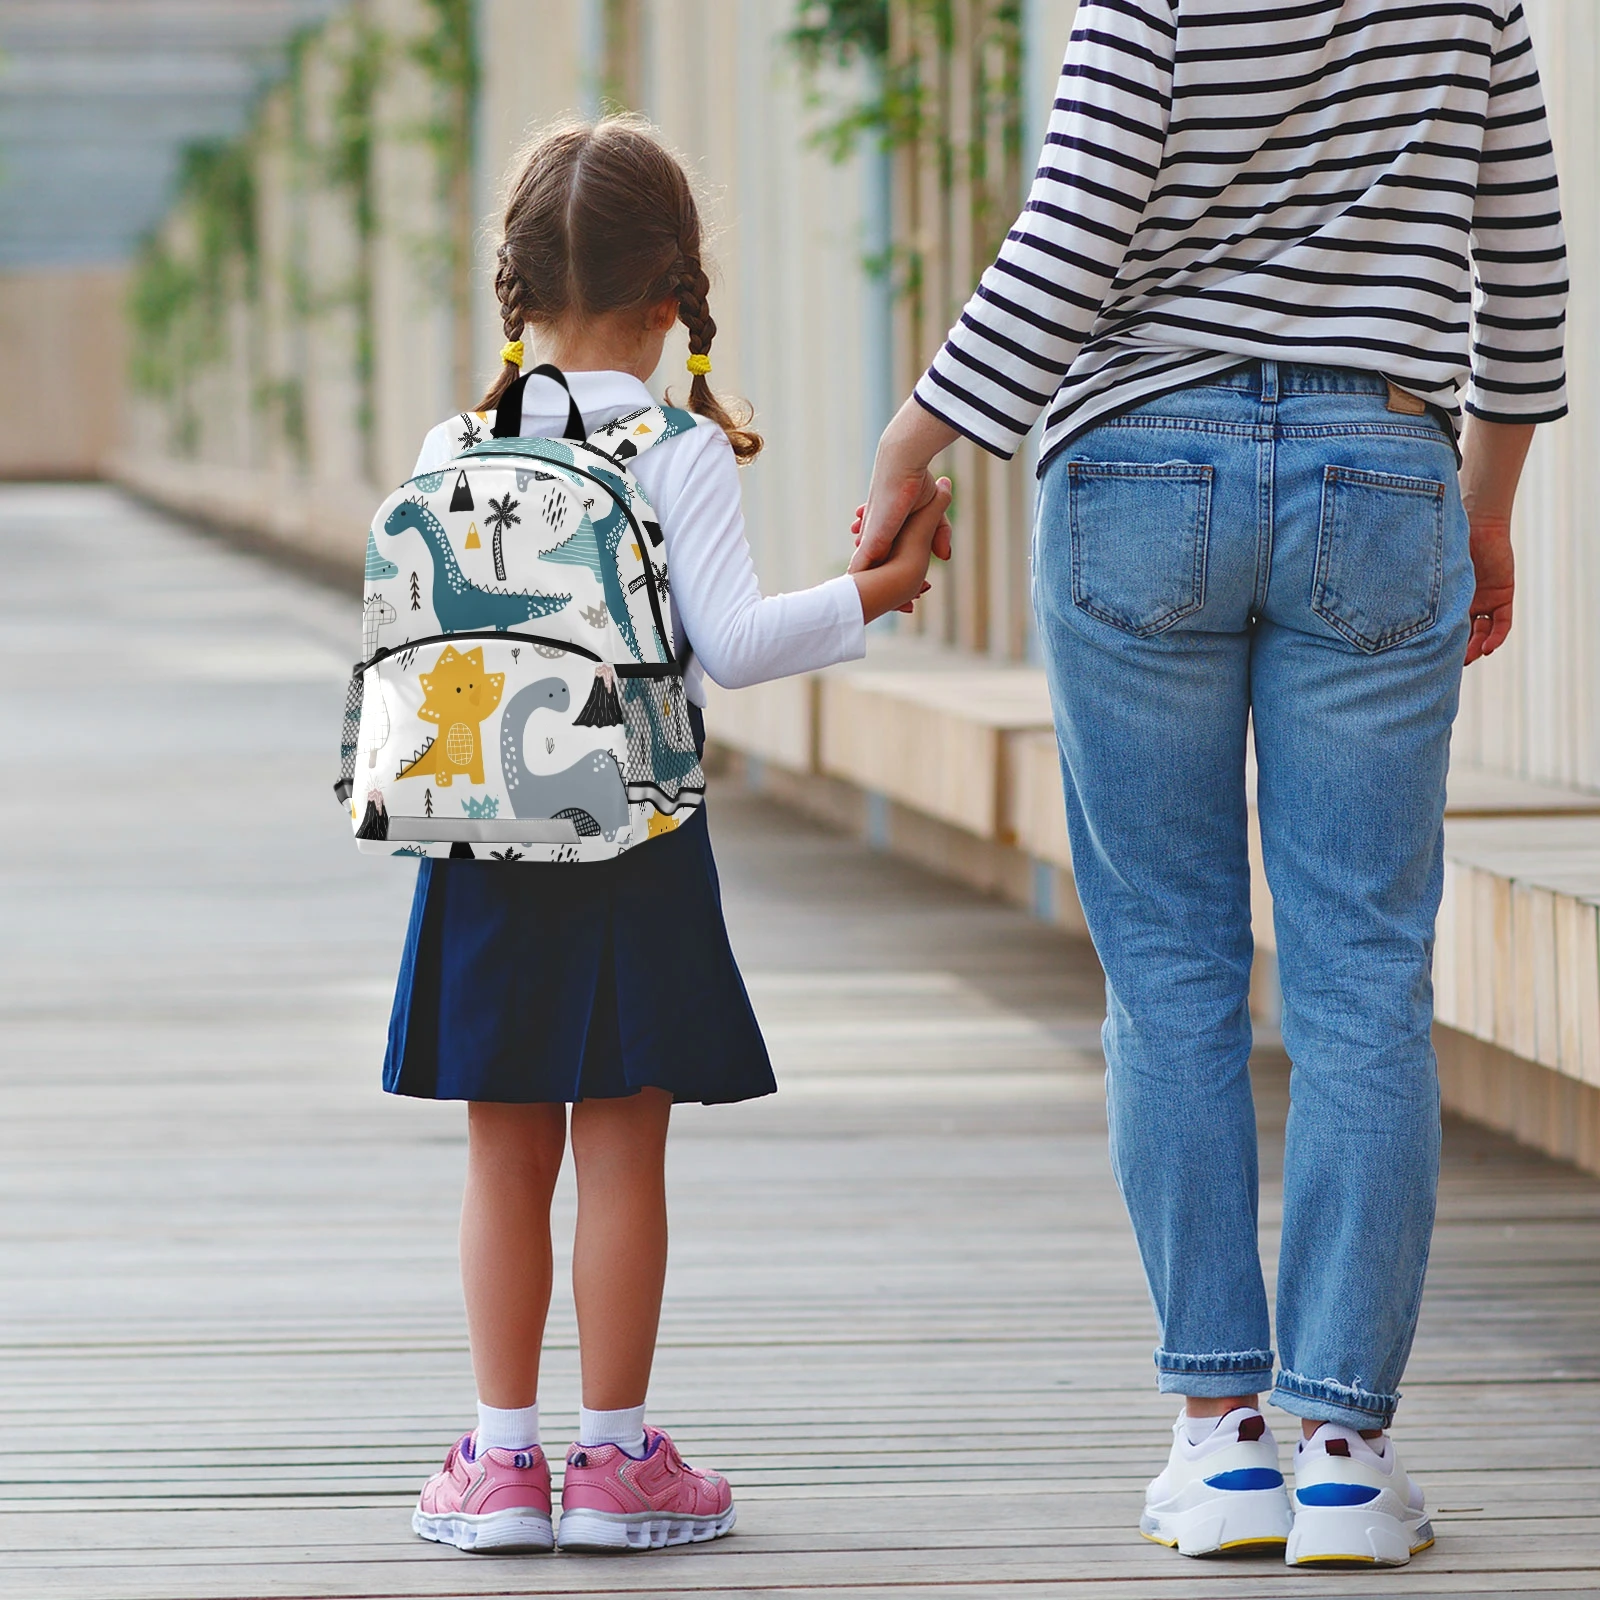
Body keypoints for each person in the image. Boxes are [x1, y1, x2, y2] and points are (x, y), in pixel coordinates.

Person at [854, 0, 1565, 1570]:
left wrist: (914, 443)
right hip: (1384, 468)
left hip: (1137, 464)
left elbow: (1074, 228)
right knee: (1363, 974)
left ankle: (1221, 1443)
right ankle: (1347, 1458)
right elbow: (1524, 279)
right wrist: (1487, 504)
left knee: (1168, 963)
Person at [388, 116, 948, 1555]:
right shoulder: (675, 443)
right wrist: (874, 593)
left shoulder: (455, 443)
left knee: (500, 1156)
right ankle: (621, 1459)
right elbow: (741, 647)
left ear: (514, 289)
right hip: (636, 837)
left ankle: (502, 1468)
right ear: (668, 302)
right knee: (623, 1156)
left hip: (484, 840)